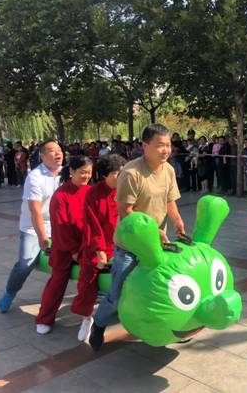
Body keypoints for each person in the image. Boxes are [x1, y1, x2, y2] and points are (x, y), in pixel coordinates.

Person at [89, 124, 186, 351]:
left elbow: (170, 200)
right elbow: (126, 211)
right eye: (160, 145)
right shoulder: (131, 173)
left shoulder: (168, 170)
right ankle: (99, 324)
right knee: (118, 292)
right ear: (145, 146)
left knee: (161, 287)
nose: (166, 150)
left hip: (158, 243)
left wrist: (177, 221)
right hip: (130, 245)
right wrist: (152, 230)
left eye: (168, 145)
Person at [0, 140, 63, 313]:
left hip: (59, 224)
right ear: (42, 156)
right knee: (25, 263)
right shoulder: (35, 177)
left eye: (59, 150)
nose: (58, 153)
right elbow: (35, 211)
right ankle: (10, 292)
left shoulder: (66, 173)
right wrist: (42, 237)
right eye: (52, 150)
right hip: (33, 226)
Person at [35, 156, 93, 334]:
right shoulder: (60, 196)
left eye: (89, 172)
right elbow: (61, 226)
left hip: (87, 244)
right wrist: (74, 250)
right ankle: (44, 318)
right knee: (57, 282)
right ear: (72, 171)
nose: (86, 176)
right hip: (64, 247)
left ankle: (87, 316)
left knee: (91, 278)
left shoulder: (91, 191)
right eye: (82, 172)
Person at [70, 154, 125, 341]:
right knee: (89, 275)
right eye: (117, 173)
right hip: (99, 244)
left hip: (123, 242)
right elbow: (92, 225)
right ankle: (86, 316)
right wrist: (99, 250)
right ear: (105, 175)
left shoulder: (127, 190)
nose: (122, 176)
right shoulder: (93, 194)